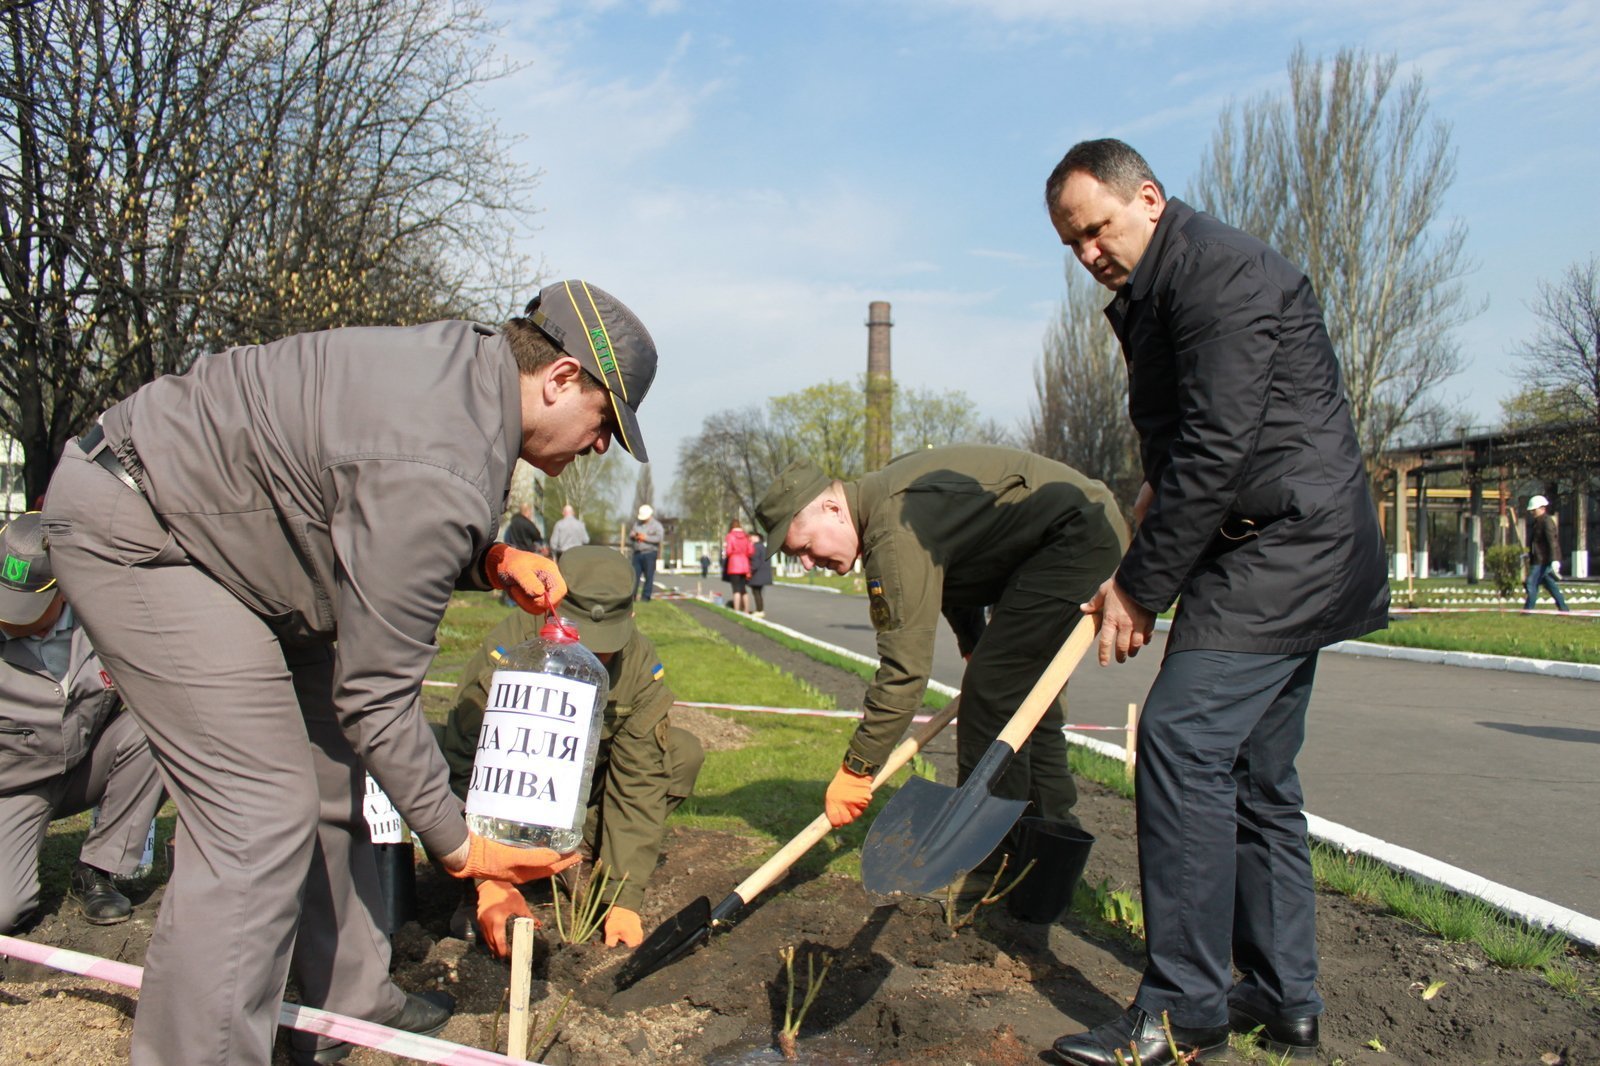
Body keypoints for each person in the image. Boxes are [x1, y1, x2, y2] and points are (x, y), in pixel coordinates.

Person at [40, 278, 658, 1066]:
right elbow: (377, 695)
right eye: (606, 422)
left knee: (332, 766)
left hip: (243, 546)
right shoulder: (444, 462)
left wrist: (485, 558)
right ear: (562, 377)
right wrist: (462, 845)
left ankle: (349, 1004)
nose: (599, 446)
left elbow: (359, 500)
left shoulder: (465, 373)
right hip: (146, 530)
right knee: (256, 815)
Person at [1043, 140, 1388, 1066]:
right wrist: (1145, 514)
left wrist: (1142, 589)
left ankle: (1183, 1007)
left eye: (1096, 229)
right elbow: (1193, 434)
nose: (1087, 255)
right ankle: (1283, 996)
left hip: (1285, 547)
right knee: (1251, 772)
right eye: (1071, 244)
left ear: (1147, 199)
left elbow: (1221, 444)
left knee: (1181, 739)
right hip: (1279, 540)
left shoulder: (1219, 273)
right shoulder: (1170, 282)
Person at [754, 445, 1127, 881]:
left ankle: (988, 861)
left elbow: (904, 673)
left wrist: (858, 768)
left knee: (992, 694)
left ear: (834, 508)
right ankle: (1046, 853)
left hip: (1073, 537)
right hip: (1068, 533)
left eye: (807, 547)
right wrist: (973, 640)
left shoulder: (890, 533)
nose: (807, 561)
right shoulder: (883, 501)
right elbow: (952, 568)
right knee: (1021, 700)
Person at [438, 545, 703, 955]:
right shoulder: (512, 650)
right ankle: (496, 873)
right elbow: (464, 760)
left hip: (577, 796)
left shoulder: (638, 665)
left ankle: (574, 855)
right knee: (430, 748)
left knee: (681, 754)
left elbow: (638, 782)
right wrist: (488, 878)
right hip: (502, 799)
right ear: (553, 603)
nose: (593, 654)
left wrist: (624, 899)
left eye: (605, 645)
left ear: (630, 617)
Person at [0, 513, 166, 935]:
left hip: (81, 767)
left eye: (27, 606)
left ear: (64, 589)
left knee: (160, 729)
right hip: (14, 786)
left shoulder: (108, 617)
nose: (11, 618)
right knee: (5, 912)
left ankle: (97, 869)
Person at [1524, 494, 1569, 612]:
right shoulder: (1537, 522)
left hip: (1543, 560)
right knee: (1550, 585)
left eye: (1534, 510)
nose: (1532, 512)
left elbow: (1552, 542)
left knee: (1531, 583)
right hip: (1538, 559)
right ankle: (1564, 608)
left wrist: (1554, 560)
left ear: (1542, 508)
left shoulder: (1547, 522)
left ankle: (1528, 610)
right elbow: (1536, 543)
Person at [630, 503, 665, 602]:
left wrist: (645, 538)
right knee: (634, 576)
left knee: (648, 576)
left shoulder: (657, 526)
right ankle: (632, 596)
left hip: (650, 553)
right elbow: (631, 533)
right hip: (637, 553)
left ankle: (646, 597)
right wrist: (635, 536)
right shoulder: (637, 524)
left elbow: (659, 538)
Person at [723, 518, 754, 613]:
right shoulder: (746, 536)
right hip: (745, 565)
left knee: (736, 589)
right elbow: (751, 551)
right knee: (743, 589)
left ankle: (736, 609)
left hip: (734, 565)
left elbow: (728, 551)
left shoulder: (730, 536)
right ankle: (746, 610)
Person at [747, 532, 773, 618]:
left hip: (757, 574)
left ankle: (759, 610)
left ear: (757, 537)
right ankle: (760, 609)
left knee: (756, 592)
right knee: (759, 593)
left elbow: (755, 562)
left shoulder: (755, 547)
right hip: (764, 574)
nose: (750, 538)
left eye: (752, 536)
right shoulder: (764, 547)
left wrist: (750, 571)